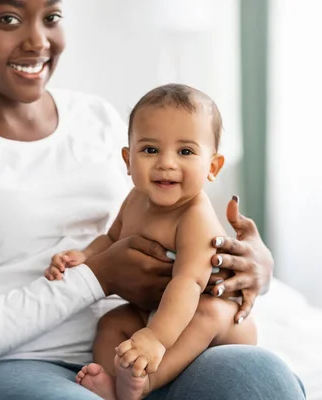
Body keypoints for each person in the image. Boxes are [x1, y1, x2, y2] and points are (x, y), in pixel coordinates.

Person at [0, 0, 306, 399]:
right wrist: (96, 276)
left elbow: (170, 233)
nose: (38, 41)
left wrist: (250, 268)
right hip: (9, 368)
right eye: (9, 18)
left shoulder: (97, 119)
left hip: (140, 350)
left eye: (51, 17)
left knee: (260, 379)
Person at [46, 83, 258, 400]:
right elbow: (113, 237)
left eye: (185, 151)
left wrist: (155, 337)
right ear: (128, 160)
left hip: (216, 325)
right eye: (150, 150)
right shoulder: (135, 199)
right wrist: (85, 256)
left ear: (212, 167)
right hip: (157, 312)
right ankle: (115, 385)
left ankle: (146, 383)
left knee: (210, 311)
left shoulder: (194, 217)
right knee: (111, 323)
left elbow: (187, 283)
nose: (166, 163)